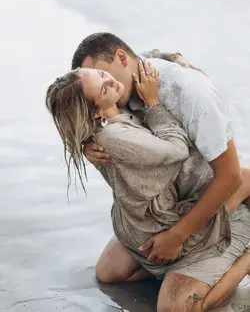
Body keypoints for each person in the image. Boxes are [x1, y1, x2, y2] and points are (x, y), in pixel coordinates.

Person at [67, 32, 250, 310]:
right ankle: (180, 263)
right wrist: (86, 144)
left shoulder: (190, 93)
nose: (106, 84)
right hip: (166, 207)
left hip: (211, 196)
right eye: (98, 81)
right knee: (109, 273)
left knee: (174, 306)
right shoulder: (119, 84)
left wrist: (177, 236)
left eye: (104, 75)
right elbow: (77, 104)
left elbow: (230, 175)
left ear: (120, 59)